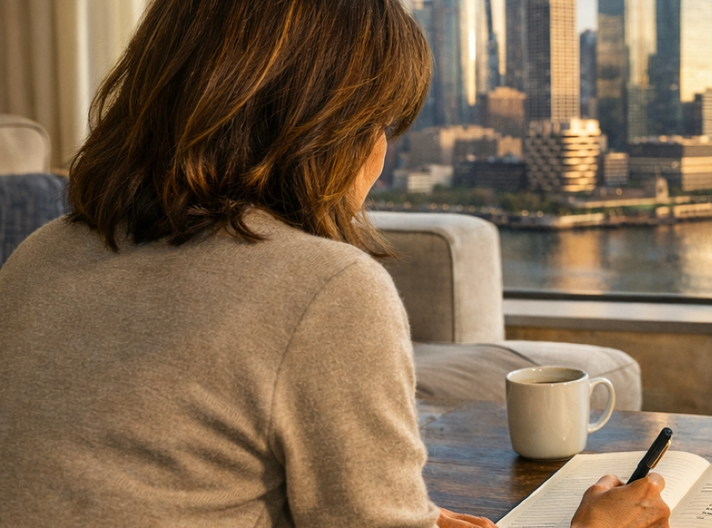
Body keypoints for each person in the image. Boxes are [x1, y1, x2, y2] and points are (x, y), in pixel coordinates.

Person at [0, 1, 671, 527]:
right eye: (381, 124)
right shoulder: (325, 288)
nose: (382, 156)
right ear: (324, 129)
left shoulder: (40, 254)